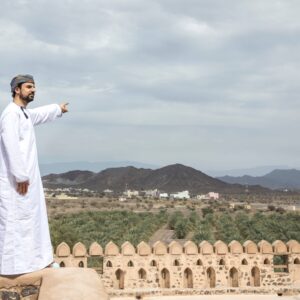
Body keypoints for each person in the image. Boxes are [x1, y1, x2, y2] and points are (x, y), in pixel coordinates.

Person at [0, 74, 68, 275]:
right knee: (15, 221)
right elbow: (10, 144)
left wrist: (58, 109)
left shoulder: (23, 114)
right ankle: (12, 267)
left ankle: (34, 262)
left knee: (31, 220)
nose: (33, 90)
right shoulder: (11, 114)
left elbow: (38, 115)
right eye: (29, 87)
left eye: (34, 87)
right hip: (17, 182)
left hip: (26, 181)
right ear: (16, 90)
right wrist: (21, 176)